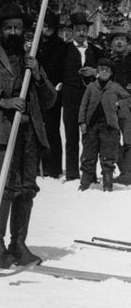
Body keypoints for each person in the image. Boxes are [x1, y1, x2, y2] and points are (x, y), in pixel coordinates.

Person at [0, 2, 56, 268]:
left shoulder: (31, 61)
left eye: (18, 27)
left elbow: (50, 100)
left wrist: (38, 74)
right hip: (0, 131)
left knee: (27, 188)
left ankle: (19, 244)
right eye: (8, 28)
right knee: (5, 186)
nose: (14, 32)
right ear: (0, 31)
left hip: (29, 133)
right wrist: (4, 100)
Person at [60, 11, 103, 182]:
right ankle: (72, 174)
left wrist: (95, 72)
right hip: (70, 99)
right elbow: (54, 69)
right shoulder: (63, 50)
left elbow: (108, 70)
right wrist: (59, 85)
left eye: (84, 30)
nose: (81, 33)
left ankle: (89, 173)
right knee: (71, 136)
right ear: (71, 31)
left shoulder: (96, 51)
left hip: (90, 100)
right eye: (78, 30)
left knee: (90, 137)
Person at [78, 56, 130, 191]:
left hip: (109, 127)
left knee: (108, 155)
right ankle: (85, 183)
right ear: (97, 71)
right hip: (92, 126)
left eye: (107, 70)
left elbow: (128, 98)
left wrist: (118, 104)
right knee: (88, 154)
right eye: (101, 69)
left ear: (111, 73)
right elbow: (83, 105)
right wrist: (82, 122)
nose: (104, 72)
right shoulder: (91, 87)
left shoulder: (115, 87)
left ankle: (107, 184)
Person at [35, 12, 66, 178]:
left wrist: (58, 84)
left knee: (52, 129)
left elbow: (62, 68)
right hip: (38, 90)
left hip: (53, 91)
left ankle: (54, 167)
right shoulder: (37, 44)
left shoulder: (60, 46)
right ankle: (39, 165)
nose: (45, 30)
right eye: (43, 26)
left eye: (48, 27)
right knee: (38, 128)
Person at [102, 30, 131, 185]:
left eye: (122, 40)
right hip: (111, 107)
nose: (119, 42)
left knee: (129, 140)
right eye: (116, 40)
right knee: (113, 139)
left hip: (128, 106)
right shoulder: (108, 62)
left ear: (127, 43)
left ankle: (128, 173)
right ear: (111, 44)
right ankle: (125, 170)